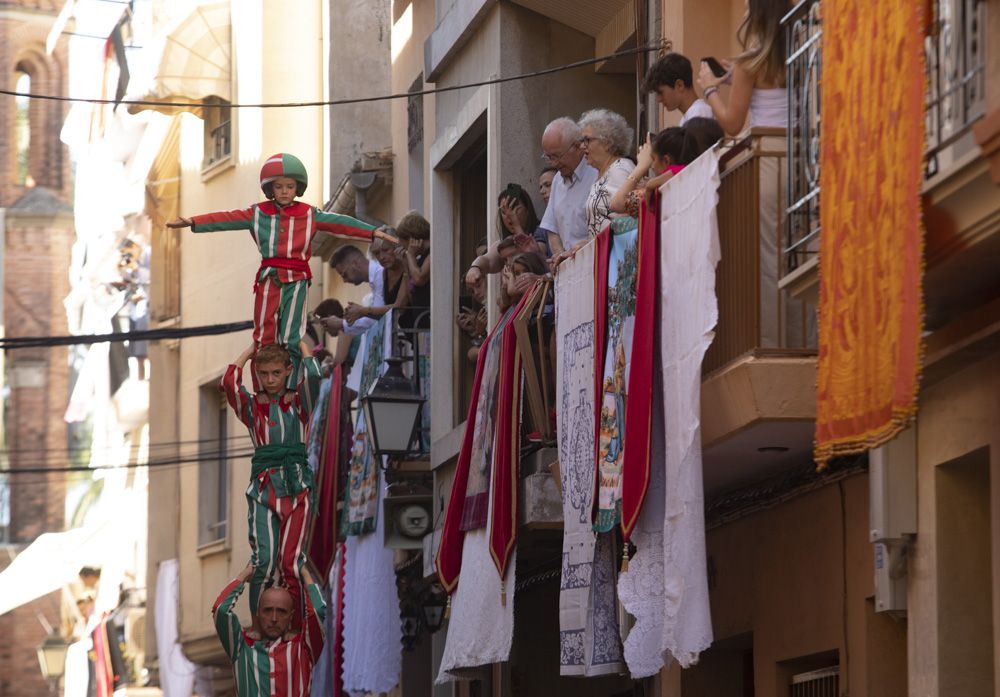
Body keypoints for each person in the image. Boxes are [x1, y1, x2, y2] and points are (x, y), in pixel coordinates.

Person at [167, 153, 383, 374]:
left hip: (297, 279)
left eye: (290, 186)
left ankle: (290, 387)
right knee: (263, 335)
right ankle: (263, 387)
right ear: (270, 189)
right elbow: (227, 218)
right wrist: (194, 221)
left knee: (291, 337)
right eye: (279, 187)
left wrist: (373, 232)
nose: (284, 191)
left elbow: (341, 223)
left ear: (297, 188)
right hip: (269, 277)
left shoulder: (309, 214)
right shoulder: (258, 213)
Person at [220, 342, 322, 619]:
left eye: (277, 373)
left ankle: (294, 625)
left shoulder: (300, 404)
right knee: (263, 561)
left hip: (297, 488)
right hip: (263, 490)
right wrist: (248, 352)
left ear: (289, 370)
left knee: (291, 563)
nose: (270, 380)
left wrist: (301, 345)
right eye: (263, 373)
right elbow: (229, 384)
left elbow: (314, 377)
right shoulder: (252, 408)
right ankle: (258, 622)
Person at [213, 562, 325, 697]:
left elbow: (318, 612)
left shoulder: (304, 648)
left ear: (291, 616)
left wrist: (304, 572)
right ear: (258, 613)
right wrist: (245, 574)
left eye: (281, 611)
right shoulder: (241, 647)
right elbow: (220, 610)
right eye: (267, 610)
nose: (274, 618)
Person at [696, 0, 788, 135]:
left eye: (747, 9)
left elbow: (732, 125)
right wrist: (738, 81)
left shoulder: (748, 63)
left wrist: (709, 89)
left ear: (759, 15)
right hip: (798, 150)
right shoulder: (798, 53)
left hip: (766, 150)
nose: (744, 16)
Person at [538, 117, 599, 259]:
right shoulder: (557, 180)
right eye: (548, 157)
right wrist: (560, 255)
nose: (553, 164)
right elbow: (552, 228)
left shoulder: (597, 172)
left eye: (557, 156)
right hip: (568, 272)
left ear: (577, 147)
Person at [610, 127, 699, 216]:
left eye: (653, 159)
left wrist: (641, 166)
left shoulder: (656, 192)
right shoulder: (697, 178)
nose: (652, 166)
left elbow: (617, 204)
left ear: (666, 161)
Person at [325, 244, 384, 336]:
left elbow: (375, 318)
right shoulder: (376, 276)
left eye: (344, 275)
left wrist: (341, 323)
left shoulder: (379, 274)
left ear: (355, 264)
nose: (344, 281)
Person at [643, 52, 716, 125]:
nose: (659, 99)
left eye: (660, 92)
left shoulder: (699, 113)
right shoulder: (691, 115)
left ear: (679, 85)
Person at [394, 212, 432, 330]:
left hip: (431, 321)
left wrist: (410, 254)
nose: (402, 246)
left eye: (402, 241)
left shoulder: (433, 251)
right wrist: (406, 266)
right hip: (421, 323)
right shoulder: (418, 259)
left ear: (412, 239)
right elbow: (412, 292)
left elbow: (419, 279)